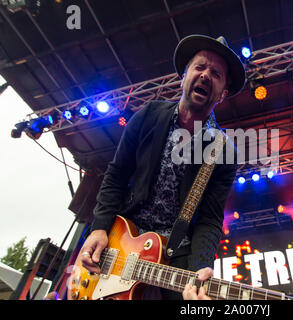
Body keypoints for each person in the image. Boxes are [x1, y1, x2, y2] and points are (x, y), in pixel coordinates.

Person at [78, 34, 246, 300]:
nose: (205, 75)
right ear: (184, 76)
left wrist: (201, 267)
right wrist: (99, 226)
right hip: (120, 241)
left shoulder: (222, 150)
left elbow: (210, 219)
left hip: (175, 255)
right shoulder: (148, 115)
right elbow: (116, 174)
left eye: (216, 73)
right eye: (199, 67)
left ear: (223, 93)